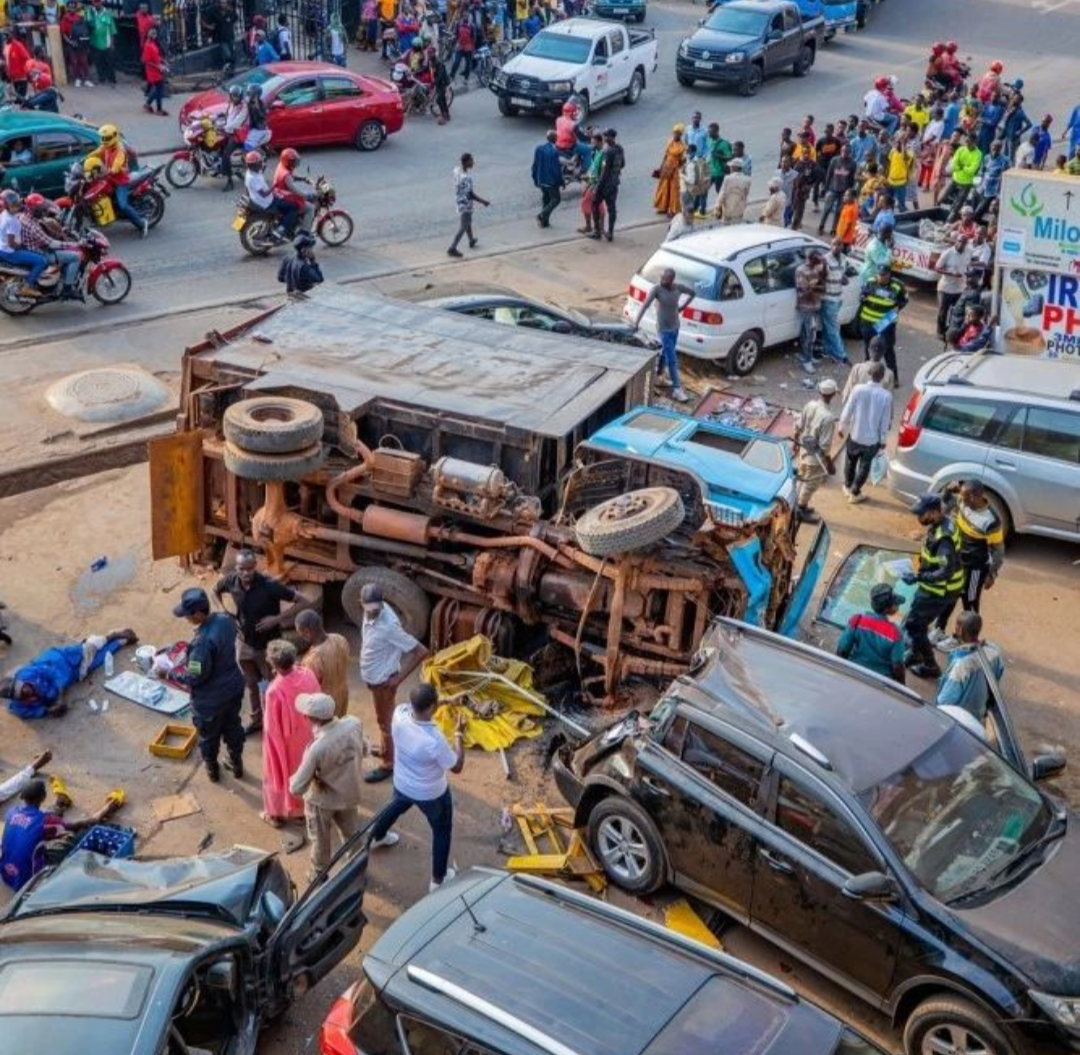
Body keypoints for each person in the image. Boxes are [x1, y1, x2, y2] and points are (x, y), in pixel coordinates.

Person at [365, 682, 466, 893]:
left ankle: (377, 836)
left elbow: (417, 707)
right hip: (431, 793)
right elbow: (456, 766)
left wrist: (446, 700)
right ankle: (438, 880)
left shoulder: (399, 714)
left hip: (403, 782)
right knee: (442, 830)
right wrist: (459, 735)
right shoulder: (434, 739)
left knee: (394, 807)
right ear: (431, 708)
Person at [212, 549, 312, 735]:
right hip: (243, 644)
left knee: (272, 687)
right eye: (242, 569)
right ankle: (256, 720)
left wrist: (277, 618)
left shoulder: (269, 585)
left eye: (250, 569)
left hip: (268, 647)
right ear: (237, 568)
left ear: (255, 567)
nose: (246, 573)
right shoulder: (231, 581)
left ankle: (274, 723)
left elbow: (304, 601)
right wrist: (225, 611)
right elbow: (215, 590)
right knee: (251, 684)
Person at [358, 582, 430, 784]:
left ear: (382, 604)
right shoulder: (370, 611)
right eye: (368, 610)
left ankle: (388, 763)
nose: (372, 614)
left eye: (375, 610)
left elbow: (421, 652)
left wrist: (398, 679)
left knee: (385, 723)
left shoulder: (389, 626)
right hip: (374, 679)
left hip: (383, 683)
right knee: (384, 719)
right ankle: (386, 749)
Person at [174, 587, 247, 783]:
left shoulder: (202, 643)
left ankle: (212, 769)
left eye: (188, 615)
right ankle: (236, 763)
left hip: (210, 702)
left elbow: (195, 677)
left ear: (198, 614)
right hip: (233, 688)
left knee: (209, 736)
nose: (186, 618)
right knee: (233, 727)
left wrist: (171, 673)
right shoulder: (225, 619)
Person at [289, 692, 365, 879]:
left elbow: (296, 788)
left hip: (322, 802)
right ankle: (357, 865)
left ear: (308, 718)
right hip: (349, 793)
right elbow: (365, 748)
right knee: (352, 833)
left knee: (320, 840)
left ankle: (319, 873)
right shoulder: (354, 723)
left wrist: (292, 779)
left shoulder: (317, 748)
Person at [1, 778, 120, 891]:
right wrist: (103, 812)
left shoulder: (12, 812)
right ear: (43, 798)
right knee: (72, 838)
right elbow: (73, 827)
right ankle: (65, 803)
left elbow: (37, 822)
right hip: (28, 880)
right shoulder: (44, 821)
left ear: (21, 796)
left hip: (6, 874)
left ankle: (60, 802)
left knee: (43, 827)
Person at [0, 628, 136, 719]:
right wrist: (49, 711)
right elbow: (33, 711)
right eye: (24, 694)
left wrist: (60, 697)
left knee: (88, 649)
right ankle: (120, 642)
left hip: (61, 659)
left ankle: (112, 635)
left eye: (25, 687)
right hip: (71, 676)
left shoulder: (27, 674)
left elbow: (52, 674)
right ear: (17, 699)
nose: (28, 690)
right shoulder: (19, 707)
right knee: (96, 662)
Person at [901, 495, 964, 679]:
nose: (919, 518)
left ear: (935, 513)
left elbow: (945, 572)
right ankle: (916, 652)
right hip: (937, 588)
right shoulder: (942, 524)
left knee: (914, 625)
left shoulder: (944, 538)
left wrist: (919, 576)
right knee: (917, 623)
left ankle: (930, 665)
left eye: (922, 514)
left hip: (939, 591)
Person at [260, 639, 319, 827]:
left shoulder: (274, 690)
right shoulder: (308, 674)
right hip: (308, 734)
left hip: (285, 741)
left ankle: (275, 815)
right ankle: (301, 812)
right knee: (306, 771)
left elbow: (271, 728)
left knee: (276, 771)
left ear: (273, 664)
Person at [633, 268, 693, 403]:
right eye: (662, 278)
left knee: (665, 353)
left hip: (675, 327)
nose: (663, 281)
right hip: (663, 330)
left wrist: (683, 307)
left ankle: (659, 376)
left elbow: (693, 293)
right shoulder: (657, 289)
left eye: (666, 279)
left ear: (672, 280)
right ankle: (677, 389)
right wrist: (636, 322)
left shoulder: (678, 288)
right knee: (672, 359)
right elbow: (645, 305)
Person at [837, 361, 892, 505]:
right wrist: (883, 440)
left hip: (855, 436)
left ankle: (848, 486)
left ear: (869, 374)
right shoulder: (886, 396)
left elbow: (848, 409)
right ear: (883, 377)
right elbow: (884, 421)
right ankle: (855, 492)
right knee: (864, 466)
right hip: (871, 441)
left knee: (850, 461)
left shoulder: (857, 389)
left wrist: (841, 427)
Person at [935, 611, 1004, 721]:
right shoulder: (995, 651)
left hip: (960, 719)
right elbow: (998, 677)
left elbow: (945, 700)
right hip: (980, 712)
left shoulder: (961, 664)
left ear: (960, 630)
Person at [85, 125, 147, 236]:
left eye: (106, 138)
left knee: (123, 205)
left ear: (113, 137)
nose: (104, 141)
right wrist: (85, 159)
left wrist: (111, 170)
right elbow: (97, 152)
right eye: (103, 138)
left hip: (121, 181)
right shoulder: (107, 146)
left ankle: (142, 224)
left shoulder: (120, 151)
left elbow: (117, 165)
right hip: (110, 178)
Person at [836, 583, 906, 683]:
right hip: (881, 681)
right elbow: (897, 666)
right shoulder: (895, 633)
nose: (897, 605)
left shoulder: (856, 621)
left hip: (853, 672)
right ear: (887, 609)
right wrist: (901, 687)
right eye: (895, 603)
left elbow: (842, 650)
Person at [18, 194, 83, 300]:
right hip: (42, 253)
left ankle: (61, 278)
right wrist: (76, 244)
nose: (43, 210)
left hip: (32, 248)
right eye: (40, 209)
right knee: (75, 257)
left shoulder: (24, 217)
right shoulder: (33, 227)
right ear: (34, 209)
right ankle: (67, 289)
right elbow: (52, 243)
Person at [792, 378, 837, 524]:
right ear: (833, 394)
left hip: (804, 451)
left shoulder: (810, 405)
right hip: (815, 458)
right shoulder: (828, 418)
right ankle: (800, 510)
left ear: (819, 392)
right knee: (810, 484)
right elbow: (825, 447)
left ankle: (798, 505)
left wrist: (795, 442)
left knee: (802, 478)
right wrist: (830, 464)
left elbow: (799, 424)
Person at [297, 609, 351, 719]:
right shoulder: (340, 638)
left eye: (300, 633)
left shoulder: (313, 660)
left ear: (307, 632)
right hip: (343, 695)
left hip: (324, 706)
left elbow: (310, 687)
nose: (301, 637)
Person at [857, 263, 907, 383]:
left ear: (889, 275)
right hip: (868, 320)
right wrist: (862, 297)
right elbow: (862, 294)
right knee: (869, 349)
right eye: (879, 274)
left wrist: (897, 308)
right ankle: (868, 376)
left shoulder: (898, 285)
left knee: (888, 350)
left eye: (883, 275)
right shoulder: (870, 281)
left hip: (886, 321)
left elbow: (904, 299)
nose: (881, 277)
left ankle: (893, 379)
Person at [0, 191, 48, 300]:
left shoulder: (4, 214)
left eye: (17, 203)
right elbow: (10, 243)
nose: (17, 207)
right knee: (42, 261)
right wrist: (20, 246)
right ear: (7, 206)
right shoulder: (11, 220)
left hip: (2, 248)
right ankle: (27, 286)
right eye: (13, 205)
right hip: (10, 251)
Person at [243, 152, 294, 238]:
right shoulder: (253, 178)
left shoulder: (250, 172)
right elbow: (264, 194)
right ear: (254, 165)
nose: (261, 163)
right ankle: (282, 230)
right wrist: (275, 185)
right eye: (259, 162)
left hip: (257, 199)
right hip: (267, 202)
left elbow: (249, 188)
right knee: (293, 208)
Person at [448, 152, 488, 257]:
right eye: (471, 160)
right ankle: (452, 248)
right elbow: (471, 195)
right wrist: (483, 201)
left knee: (468, 221)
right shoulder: (467, 178)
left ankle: (471, 240)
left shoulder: (457, 170)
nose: (473, 162)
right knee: (464, 225)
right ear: (466, 162)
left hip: (459, 200)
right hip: (466, 204)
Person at [934, 234, 972, 340]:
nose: (961, 244)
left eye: (963, 243)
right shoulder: (948, 253)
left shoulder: (968, 252)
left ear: (966, 244)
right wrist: (951, 273)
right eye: (959, 241)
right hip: (946, 287)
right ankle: (940, 331)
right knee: (943, 311)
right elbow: (937, 268)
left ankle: (953, 331)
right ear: (956, 241)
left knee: (958, 311)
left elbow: (968, 265)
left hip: (960, 288)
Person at [795, 249, 826, 373]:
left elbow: (822, 286)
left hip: (815, 305)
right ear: (811, 258)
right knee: (810, 334)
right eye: (818, 257)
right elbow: (804, 292)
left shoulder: (816, 268)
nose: (820, 259)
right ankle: (807, 361)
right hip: (806, 307)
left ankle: (805, 355)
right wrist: (817, 286)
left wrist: (823, 268)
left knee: (806, 332)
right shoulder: (801, 270)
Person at [273, 148, 317, 233]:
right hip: (283, 197)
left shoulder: (281, 166)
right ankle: (305, 233)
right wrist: (307, 195)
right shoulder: (286, 175)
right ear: (287, 162)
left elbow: (291, 176)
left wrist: (303, 179)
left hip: (278, 193)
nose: (295, 163)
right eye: (292, 161)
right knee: (310, 208)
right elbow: (295, 190)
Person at [590, 128, 622, 242]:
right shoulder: (619, 149)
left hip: (605, 185)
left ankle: (597, 231)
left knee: (594, 203)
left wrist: (598, 187)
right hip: (614, 184)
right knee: (612, 208)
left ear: (611, 137)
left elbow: (604, 172)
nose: (604, 138)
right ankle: (610, 233)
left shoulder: (608, 152)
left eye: (606, 136)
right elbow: (623, 164)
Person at [841, 335, 894, 402]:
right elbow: (888, 401)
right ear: (884, 352)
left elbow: (846, 395)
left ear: (868, 350)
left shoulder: (857, 368)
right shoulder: (889, 374)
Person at [818, 144, 856, 235]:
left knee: (839, 211)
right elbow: (829, 174)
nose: (844, 153)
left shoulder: (853, 164)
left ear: (850, 153)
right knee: (827, 208)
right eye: (843, 151)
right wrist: (825, 188)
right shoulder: (834, 160)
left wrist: (850, 192)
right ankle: (821, 226)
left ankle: (833, 229)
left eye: (847, 152)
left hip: (844, 191)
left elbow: (852, 179)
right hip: (832, 188)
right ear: (840, 151)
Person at [945, 134, 983, 220]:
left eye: (969, 142)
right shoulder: (961, 149)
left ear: (975, 142)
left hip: (967, 183)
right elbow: (954, 165)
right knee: (943, 199)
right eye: (966, 142)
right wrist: (965, 167)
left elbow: (972, 170)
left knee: (958, 204)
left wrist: (961, 166)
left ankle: (950, 221)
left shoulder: (978, 154)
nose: (967, 144)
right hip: (955, 179)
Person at [532, 130, 563, 229]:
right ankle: (541, 215)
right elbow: (556, 169)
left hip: (541, 179)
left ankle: (544, 223)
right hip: (551, 181)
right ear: (556, 139)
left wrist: (535, 179)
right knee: (556, 199)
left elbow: (535, 165)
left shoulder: (539, 149)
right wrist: (561, 181)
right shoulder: (554, 152)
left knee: (546, 199)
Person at [653, 125, 685, 218]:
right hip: (666, 166)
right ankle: (662, 207)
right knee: (664, 187)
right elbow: (666, 155)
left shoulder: (682, 146)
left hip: (675, 169)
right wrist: (661, 166)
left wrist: (679, 169)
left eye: (678, 134)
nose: (675, 135)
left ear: (681, 135)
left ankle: (673, 210)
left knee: (674, 189)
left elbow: (682, 160)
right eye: (674, 133)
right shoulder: (669, 141)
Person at [972, 140, 1007, 221]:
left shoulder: (1004, 161)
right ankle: (974, 224)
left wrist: (999, 193)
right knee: (973, 207)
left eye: (997, 148)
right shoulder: (986, 157)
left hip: (992, 191)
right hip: (981, 187)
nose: (994, 150)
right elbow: (981, 171)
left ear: (1000, 149)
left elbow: (1003, 176)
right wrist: (976, 183)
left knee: (979, 211)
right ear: (990, 147)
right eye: (993, 148)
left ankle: (974, 223)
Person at [61, 1, 93, 87]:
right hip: (71, 43)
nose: (72, 8)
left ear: (75, 7)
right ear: (67, 8)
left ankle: (86, 79)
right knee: (74, 62)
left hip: (82, 43)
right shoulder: (65, 18)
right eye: (70, 7)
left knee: (84, 61)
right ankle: (77, 79)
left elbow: (85, 29)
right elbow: (64, 34)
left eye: (73, 6)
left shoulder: (79, 17)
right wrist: (70, 42)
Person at [86, 0, 117, 85]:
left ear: (101, 2)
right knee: (98, 62)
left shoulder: (108, 13)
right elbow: (88, 25)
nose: (96, 3)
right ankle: (102, 79)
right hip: (95, 43)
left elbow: (112, 29)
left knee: (109, 62)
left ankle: (112, 79)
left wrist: (112, 43)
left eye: (98, 2)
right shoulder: (90, 12)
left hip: (106, 43)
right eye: (95, 2)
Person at [141, 26, 168, 116]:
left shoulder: (152, 44)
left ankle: (148, 104)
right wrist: (158, 66)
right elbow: (146, 61)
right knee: (159, 89)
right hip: (153, 71)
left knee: (158, 89)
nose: (154, 35)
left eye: (155, 33)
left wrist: (162, 61)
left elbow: (156, 56)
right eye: (153, 33)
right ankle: (158, 108)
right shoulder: (148, 45)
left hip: (157, 69)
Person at [714, 156, 750, 223]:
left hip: (728, 209)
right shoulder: (747, 179)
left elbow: (722, 194)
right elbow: (746, 194)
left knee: (727, 229)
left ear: (734, 167)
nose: (730, 168)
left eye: (731, 166)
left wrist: (717, 208)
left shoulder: (728, 178)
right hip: (740, 209)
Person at [3, 29, 30, 97]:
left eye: (7, 36)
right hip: (13, 77)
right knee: (17, 97)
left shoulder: (18, 45)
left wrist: (23, 70)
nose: (5, 38)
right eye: (4, 37)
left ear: (11, 35)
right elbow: (7, 60)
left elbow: (26, 58)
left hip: (21, 76)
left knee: (22, 97)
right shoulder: (5, 46)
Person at [450, 16, 475, 83]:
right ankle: (465, 78)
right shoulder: (471, 26)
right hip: (466, 47)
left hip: (462, 47)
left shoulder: (460, 25)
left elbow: (456, 35)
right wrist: (473, 47)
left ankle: (453, 75)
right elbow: (473, 38)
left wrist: (455, 43)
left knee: (458, 62)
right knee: (467, 63)